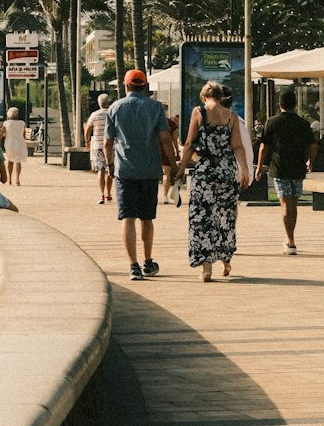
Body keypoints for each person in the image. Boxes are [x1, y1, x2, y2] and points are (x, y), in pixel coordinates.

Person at [104, 69, 177, 282]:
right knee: (147, 218)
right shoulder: (155, 107)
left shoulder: (115, 108)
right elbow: (165, 139)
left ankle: (133, 265)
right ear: (144, 86)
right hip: (149, 170)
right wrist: (173, 166)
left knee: (127, 217)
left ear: (126, 87)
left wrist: (109, 165)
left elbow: (107, 142)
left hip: (125, 170)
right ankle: (147, 261)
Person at [176, 82, 249, 282]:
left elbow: (190, 143)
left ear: (203, 97)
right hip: (226, 170)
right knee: (225, 215)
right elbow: (237, 146)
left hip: (206, 170)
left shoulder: (199, 112)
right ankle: (226, 261)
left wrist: (182, 168)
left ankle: (206, 269)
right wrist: (245, 171)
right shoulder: (231, 117)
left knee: (202, 217)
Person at [255, 89, 318, 256]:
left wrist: (259, 166)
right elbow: (313, 145)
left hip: (279, 168)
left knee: (285, 204)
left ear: (280, 105)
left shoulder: (272, 122)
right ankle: (291, 238)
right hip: (297, 168)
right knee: (293, 204)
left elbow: (264, 147)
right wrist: (310, 162)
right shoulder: (303, 124)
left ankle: (290, 240)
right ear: (295, 105)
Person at [84, 93, 113, 205]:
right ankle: (108, 194)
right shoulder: (112, 113)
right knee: (109, 169)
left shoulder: (94, 115)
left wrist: (87, 141)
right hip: (111, 146)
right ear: (108, 102)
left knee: (100, 170)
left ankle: (101, 194)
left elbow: (88, 129)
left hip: (98, 145)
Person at [159, 102, 181, 204]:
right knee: (166, 173)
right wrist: (177, 152)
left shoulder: (153, 122)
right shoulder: (171, 124)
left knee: (153, 174)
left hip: (154, 149)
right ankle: (165, 196)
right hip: (166, 150)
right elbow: (174, 140)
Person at [2, 106, 28, 185]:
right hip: (19, 143)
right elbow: (24, 135)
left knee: (10, 161)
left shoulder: (6, 123)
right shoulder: (22, 123)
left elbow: (1, 134)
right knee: (18, 161)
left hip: (9, 143)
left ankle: (9, 178)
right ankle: (17, 179)